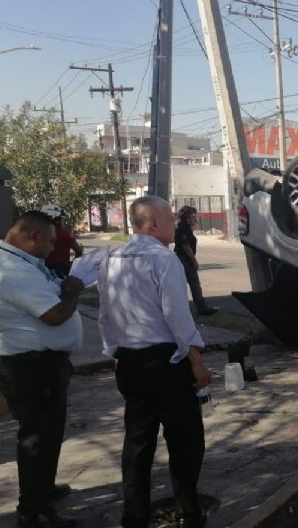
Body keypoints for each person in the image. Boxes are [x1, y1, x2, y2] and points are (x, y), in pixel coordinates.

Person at [97, 196, 213, 528]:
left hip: (130, 362)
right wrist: (197, 361)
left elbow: (105, 315)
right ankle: (189, 511)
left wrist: (115, 353)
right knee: (186, 439)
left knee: (137, 442)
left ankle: (134, 516)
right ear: (153, 224)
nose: (175, 225)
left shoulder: (111, 257)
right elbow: (177, 316)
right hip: (165, 361)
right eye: (170, 219)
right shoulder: (164, 260)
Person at [0, 210, 84, 528]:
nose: (54, 247)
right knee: (37, 438)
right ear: (33, 237)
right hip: (29, 367)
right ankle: (33, 511)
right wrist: (72, 291)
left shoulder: (24, 263)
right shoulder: (11, 270)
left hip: (42, 364)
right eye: (51, 240)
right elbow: (54, 315)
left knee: (50, 432)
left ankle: (43, 488)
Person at [174, 205, 218, 316]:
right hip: (184, 260)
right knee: (194, 284)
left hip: (182, 259)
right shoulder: (183, 229)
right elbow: (185, 246)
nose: (194, 219)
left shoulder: (184, 228)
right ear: (186, 218)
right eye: (192, 216)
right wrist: (194, 260)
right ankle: (202, 309)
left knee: (184, 285)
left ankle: (187, 309)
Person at [41, 204, 84, 278]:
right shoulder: (65, 234)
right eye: (61, 219)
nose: (63, 221)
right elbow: (79, 251)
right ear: (56, 220)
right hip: (62, 270)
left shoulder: (39, 233)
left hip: (41, 269)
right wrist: (72, 263)